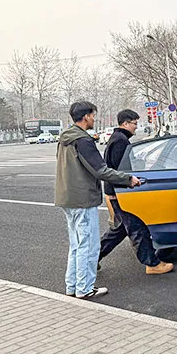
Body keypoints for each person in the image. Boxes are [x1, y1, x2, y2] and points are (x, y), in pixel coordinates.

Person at [55, 101, 141, 299]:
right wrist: (128, 179)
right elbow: (100, 170)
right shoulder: (83, 141)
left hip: (68, 197)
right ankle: (84, 289)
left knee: (77, 244)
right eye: (93, 115)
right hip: (83, 199)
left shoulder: (65, 138)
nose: (95, 118)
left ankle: (72, 286)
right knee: (89, 246)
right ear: (86, 117)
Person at [99, 109, 174, 275]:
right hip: (121, 193)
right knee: (137, 228)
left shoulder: (118, 139)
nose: (136, 127)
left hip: (117, 192)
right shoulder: (120, 141)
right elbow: (120, 169)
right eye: (134, 124)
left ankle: (92, 259)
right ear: (125, 123)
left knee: (119, 231)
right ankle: (152, 263)